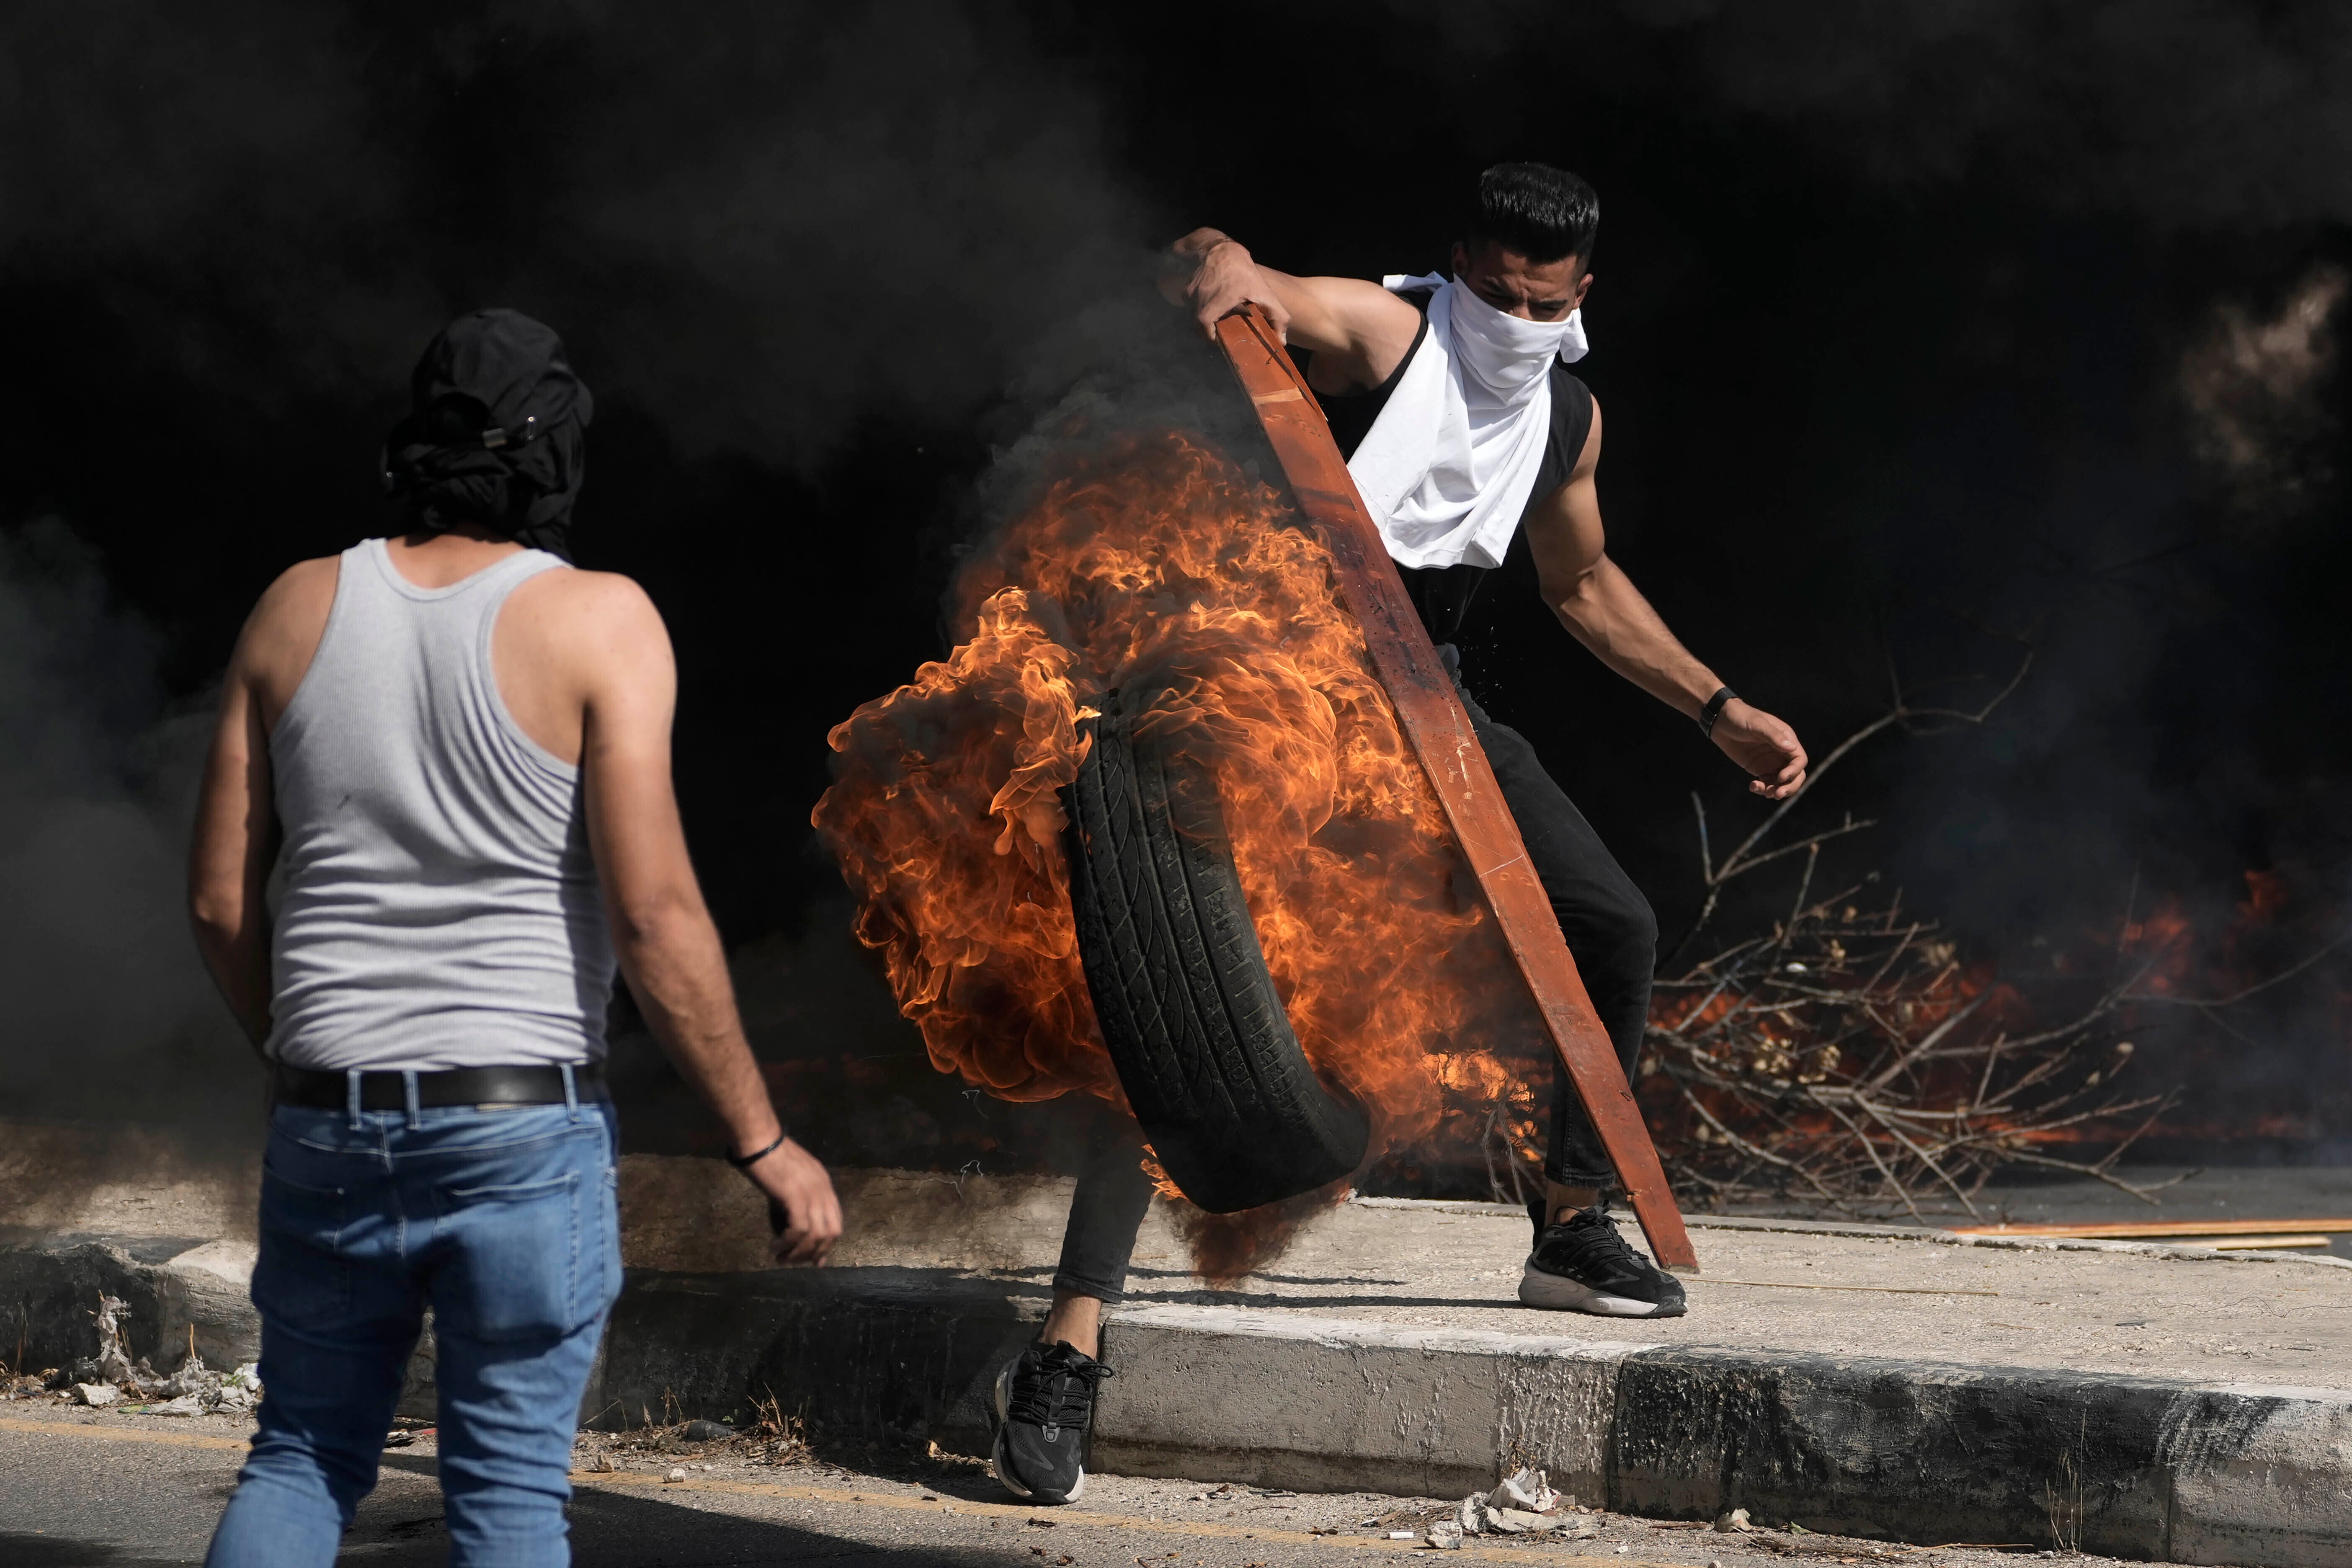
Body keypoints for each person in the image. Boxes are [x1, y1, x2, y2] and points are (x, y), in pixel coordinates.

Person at [983, 162, 1810, 1507]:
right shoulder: (1392, 332)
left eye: (1539, 302)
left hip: (1423, 694)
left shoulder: (1567, 420)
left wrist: (1715, 707)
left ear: (1580, 297)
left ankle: (1573, 1223)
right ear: (1456, 268)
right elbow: (1258, 281)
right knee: (1180, 990)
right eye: (1490, 289)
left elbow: (1583, 581)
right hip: (1269, 675)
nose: (1510, 317)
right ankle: (1070, 1343)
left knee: (1609, 924)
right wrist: (1222, 257)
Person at [187, 308, 842, 1567]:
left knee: (302, 1459)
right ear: (553, 457)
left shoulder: (292, 610)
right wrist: (760, 1140)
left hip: (328, 1115)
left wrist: (295, 1051)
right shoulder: (600, 621)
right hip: (517, 1137)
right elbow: (653, 917)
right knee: (507, 1506)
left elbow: (222, 899)